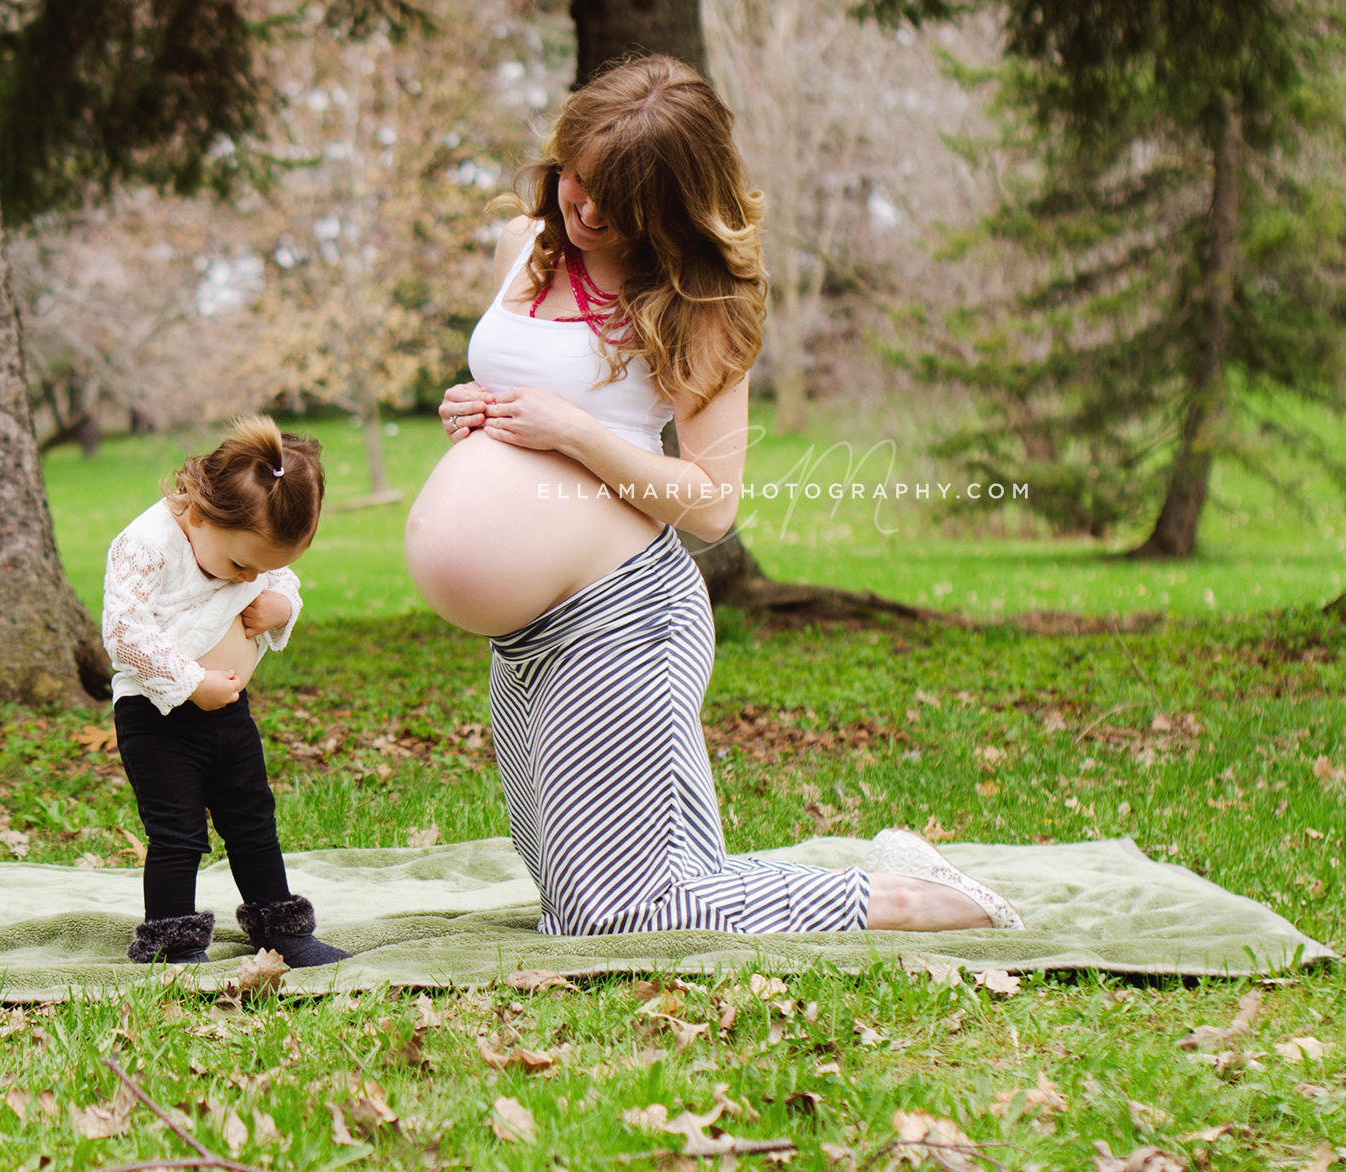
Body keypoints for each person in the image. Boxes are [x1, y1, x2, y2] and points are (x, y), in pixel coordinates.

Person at [403, 55, 1023, 937]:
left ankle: (908, 900)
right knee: (591, 889)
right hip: (524, 634)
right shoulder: (522, 249)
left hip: (621, 620)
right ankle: (887, 861)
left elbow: (710, 503)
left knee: (613, 914)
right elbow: (525, 397)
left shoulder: (699, 303)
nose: (582, 209)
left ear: (667, 207)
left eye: (613, 203)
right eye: (577, 178)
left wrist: (567, 429)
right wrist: (475, 415)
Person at [102, 416, 350, 967]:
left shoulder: (248, 549)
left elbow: (278, 577)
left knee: (252, 820)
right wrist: (192, 684)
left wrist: (282, 603)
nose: (247, 578)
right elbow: (124, 632)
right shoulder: (146, 544)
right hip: (157, 716)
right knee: (178, 833)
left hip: (230, 712)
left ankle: (281, 928)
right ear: (198, 513)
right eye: (241, 564)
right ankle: (172, 941)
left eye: (261, 568)